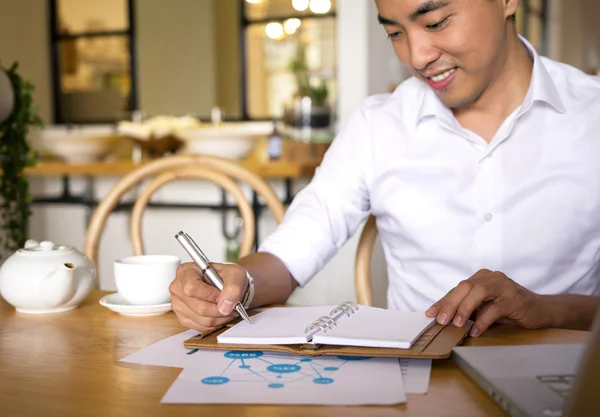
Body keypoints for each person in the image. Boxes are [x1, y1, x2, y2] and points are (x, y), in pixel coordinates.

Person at [170, 0, 600, 338]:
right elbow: (290, 255)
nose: (417, 55)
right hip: (419, 383)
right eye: (395, 32)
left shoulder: (591, 116)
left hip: (568, 377)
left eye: (434, 22)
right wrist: (236, 283)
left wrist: (543, 309)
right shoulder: (378, 125)